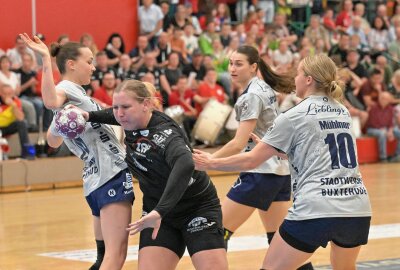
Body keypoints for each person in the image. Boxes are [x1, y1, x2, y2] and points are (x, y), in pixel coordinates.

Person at [193, 54, 372, 269]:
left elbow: (251, 160)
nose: (294, 79)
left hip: (316, 208)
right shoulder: (342, 111)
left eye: (297, 73)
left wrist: (210, 163)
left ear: (308, 80)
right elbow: (320, 153)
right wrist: (277, 149)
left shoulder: (293, 115)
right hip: (357, 207)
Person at [83, 79, 228, 270]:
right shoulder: (132, 119)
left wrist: (160, 211)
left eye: (125, 107)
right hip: (157, 212)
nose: (119, 113)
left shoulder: (164, 133)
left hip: (196, 208)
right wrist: (88, 115)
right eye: (116, 106)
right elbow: (114, 115)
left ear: (146, 104)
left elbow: (185, 163)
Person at [20, 33, 134, 270]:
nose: (94, 67)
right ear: (71, 64)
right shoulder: (66, 89)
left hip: (94, 180)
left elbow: (52, 141)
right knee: (116, 255)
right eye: (89, 61)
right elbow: (51, 101)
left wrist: (65, 124)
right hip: (110, 174)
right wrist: (45, 61)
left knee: (103, 258)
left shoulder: (77, 99)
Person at [210, 45, 313, 270]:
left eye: (239, 64)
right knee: (281, 240)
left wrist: (208, 162)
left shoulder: (251, 95)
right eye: (231, 63)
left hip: (260, 171)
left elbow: (238, 143)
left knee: (215, 233)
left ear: (253, 67)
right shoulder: (262, 87)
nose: (232, 68)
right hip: (279, 172)